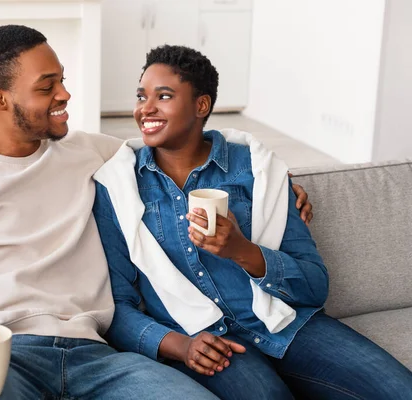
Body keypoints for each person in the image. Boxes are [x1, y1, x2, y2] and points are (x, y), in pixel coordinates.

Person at [0, 25, 220, 400]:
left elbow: (183, 149)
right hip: (1, 357)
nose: (65, 94)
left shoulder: (94, 153)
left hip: (99, 359)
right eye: (46, 87)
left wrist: (275, 184)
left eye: (62, 81)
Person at [92, 44, 412, 400]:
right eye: (141, 96)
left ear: (201, 106)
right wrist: (180, 346)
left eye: (163, 96)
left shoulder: (257, 170)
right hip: (206, 340)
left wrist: (241, 250)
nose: (145, 108)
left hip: (288, 326)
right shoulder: (118, 185)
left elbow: (314, 285)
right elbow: (116, 306)